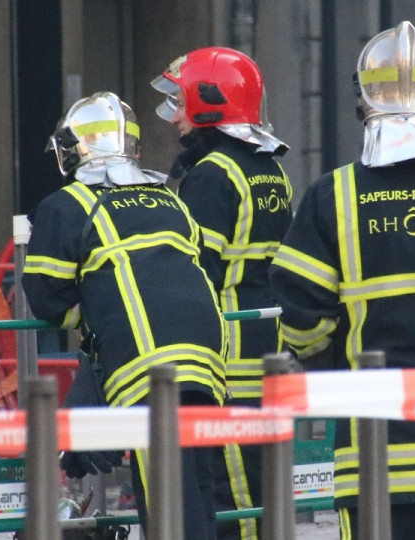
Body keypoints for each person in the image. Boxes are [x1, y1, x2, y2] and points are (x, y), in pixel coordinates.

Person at [269, 21, 415, 539]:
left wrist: (336, 363)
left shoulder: (331, 195)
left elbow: (299, 323)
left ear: (364, 102)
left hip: (370, 453)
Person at [22, 91, 227, 540]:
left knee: (165, 500)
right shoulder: (169, 199)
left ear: (75, 148)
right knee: (198, 488)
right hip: (209, 356)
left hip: (146, 364)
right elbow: (202, 270)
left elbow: (46, 298)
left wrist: (95, 312)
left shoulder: (67, 204)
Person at [152, 47, 293, 540]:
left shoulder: (211, 174)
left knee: (232, 496)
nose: (176, 122)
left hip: (226, 357)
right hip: (267, 347)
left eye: (181, 105)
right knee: (262, 488)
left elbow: (194, 272)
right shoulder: (270, 168)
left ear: (208, 102)